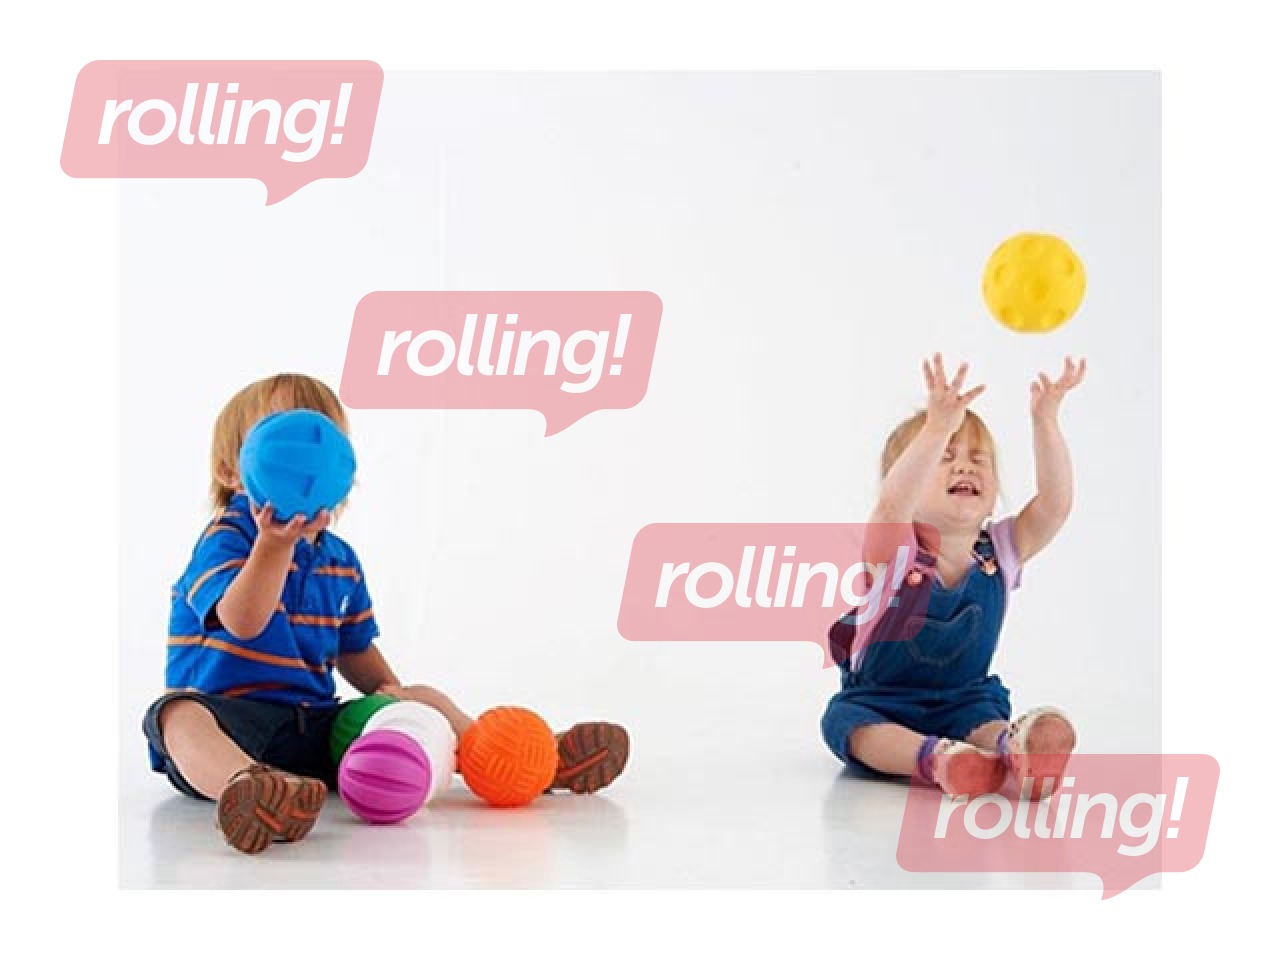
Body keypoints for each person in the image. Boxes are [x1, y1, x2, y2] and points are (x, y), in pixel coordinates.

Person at [143, 373, 630, 854]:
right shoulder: (226, 539)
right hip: (230, 723)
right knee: (177, 715)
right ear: (232, 472)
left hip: (314, 727)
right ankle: (248, 787)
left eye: (322, 437)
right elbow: (243, 621)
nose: (305, 454)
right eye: (282, 436)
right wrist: (273, 545)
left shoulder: (338, 559)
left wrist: (393, 696)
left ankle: (525, 761)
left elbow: (353, 649)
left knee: (422, 698)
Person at [821, 354, 1084, 800]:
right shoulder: (894, 553)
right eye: (944, 457)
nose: (966, 467)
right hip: (882, 702)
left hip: (964, 698)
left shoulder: (1002, 551)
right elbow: (891, 505)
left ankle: (1014, 748)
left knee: (984, 718)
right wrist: (936, 428)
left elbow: (1055, 504)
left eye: (979, 459)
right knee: (846, 723)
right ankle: (938, 759)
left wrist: (1045, 421)